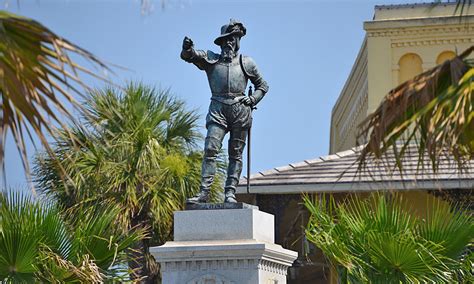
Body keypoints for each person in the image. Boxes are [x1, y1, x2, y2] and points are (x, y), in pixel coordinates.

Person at [181, 19, 269, 203]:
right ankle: (204, 192)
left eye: (233, 38)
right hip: (218, 109)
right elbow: (189, 56)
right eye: (226, 39)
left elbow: (262, 85)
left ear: (238, 41)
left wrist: (253, 99)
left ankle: (230, 192)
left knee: (235, 154)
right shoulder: (211, 59)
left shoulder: (247, 62)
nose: (229, 42)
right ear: (220, 42)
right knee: (210, 149)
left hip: (240, 110)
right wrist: (188, 48)